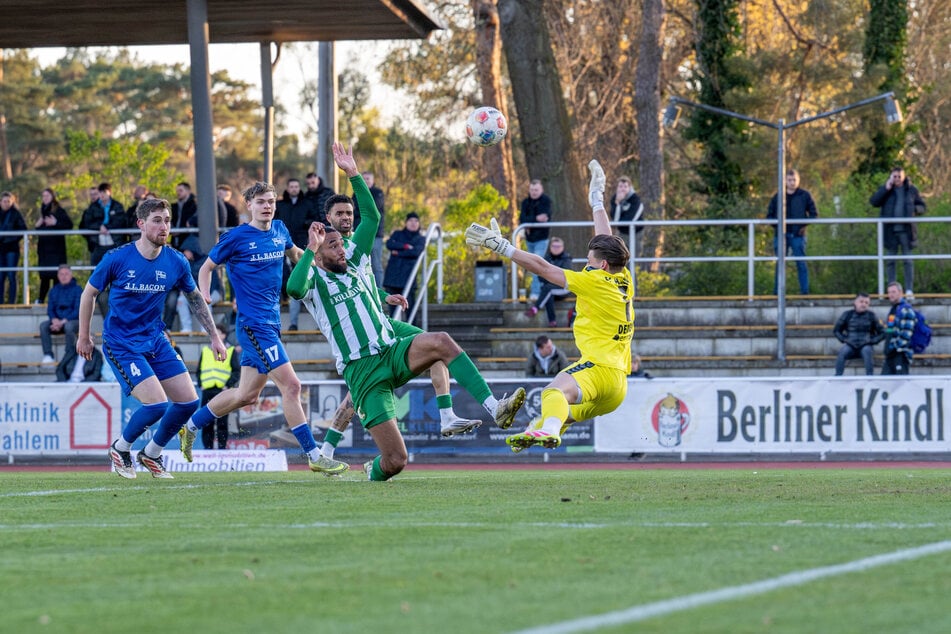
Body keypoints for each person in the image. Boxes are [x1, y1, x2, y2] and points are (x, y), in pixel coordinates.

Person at [288, 143, 526, 482]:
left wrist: (353, 172)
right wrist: (310, 250)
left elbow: (371, 217)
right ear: (319, 252)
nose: (343, 249)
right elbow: (294, 290)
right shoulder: (313, 279)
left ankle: (494, 408)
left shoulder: (353, 259)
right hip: (363, 370)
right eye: (334, 246)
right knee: (397, 460)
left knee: (441, 343)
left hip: (390, 347)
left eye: (342, 243)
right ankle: (358, 467)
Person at [312, 161, 484, 467]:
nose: (345, 218)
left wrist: (382, 295)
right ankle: (325, 451)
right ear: (327, 218)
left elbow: (363, 287)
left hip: (378, 321)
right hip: (356, 337)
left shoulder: (355, 247)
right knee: (357, 394)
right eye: (339, 214)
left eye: (349, 213)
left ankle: (446, 415)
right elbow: (321, 290)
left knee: (437, 346)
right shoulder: (325, 255)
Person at [176, 181, 349, 476]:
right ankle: (314, 454)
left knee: (246, 395)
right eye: (261, 202)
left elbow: (295, 256)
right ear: (249, 206)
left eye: (270, 201)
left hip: (272, 323)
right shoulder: (237, 237)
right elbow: (205, 267)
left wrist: (316, 255)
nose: (267, 206)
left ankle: (190, 426)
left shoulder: (280, 229)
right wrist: (205, 295)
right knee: (292, 386)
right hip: (254, 325)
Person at [466, 159, 634, 451]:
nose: (586, 261)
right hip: (618, 385)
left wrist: (502, 247)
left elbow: (543, 268)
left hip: (599, 369)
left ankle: (549, 432)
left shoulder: (593, 281)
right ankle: (540, 429)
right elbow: (607, 240)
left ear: (602, 264)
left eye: (590, 259)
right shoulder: (624, 276)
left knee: (552, 391)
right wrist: (597, 200)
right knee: (560, 410)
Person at [77, 197, 227, 479]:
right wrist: (84, 336)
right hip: (122, 343)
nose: (164, 226)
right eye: (157, 220)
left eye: (168, 220)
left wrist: (215, 337)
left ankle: (152, 453)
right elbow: (89, 294)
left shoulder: (176, 261)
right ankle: (121, 449)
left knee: (188, 402)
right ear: (141, 224)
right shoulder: (117, 257)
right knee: (157, 404)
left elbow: (195, 298)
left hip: (155, 340)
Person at [869, 166, 926, 297]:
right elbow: (874, 202)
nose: (897, 179)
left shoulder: (912, 190)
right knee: (890, 261)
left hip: (906, 231)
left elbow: (922, 207)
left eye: (899, 176)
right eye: (894, 176)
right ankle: (891, 290)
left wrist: (913, 210)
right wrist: (885, 189)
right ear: (891, 177)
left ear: (904, 177)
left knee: (908, 260)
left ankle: (909, 290)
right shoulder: (886, 190)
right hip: (890, 231)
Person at [276, 177, 320, 331]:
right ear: (287, 188)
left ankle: (318, 324)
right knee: (286, 280)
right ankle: (293, 323)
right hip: (282, 247)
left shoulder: (307, 204)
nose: (294, 188)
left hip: (303, 247)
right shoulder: (280, 205)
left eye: (296, 186)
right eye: (291, 186)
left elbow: (315, 220)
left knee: (307, 282)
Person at [767, 169, 818, 295]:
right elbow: (769, 216)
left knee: (801, 263)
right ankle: (777, 292)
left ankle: (805, 292)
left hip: (798, 236)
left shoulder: (805, 196)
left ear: (798, 180)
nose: (792, 182)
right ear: (785, 181)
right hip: (781, 236)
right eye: (789, 180)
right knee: (780, 265)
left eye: (794, 180)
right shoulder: (778, 196)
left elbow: (814, 214)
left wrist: (803, 226)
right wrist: (778, 227)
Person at [196, 323, 240, 450]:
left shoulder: (230, 351)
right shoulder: (205, 351)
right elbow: (199, 370)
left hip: (222, 391)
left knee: (222, 422)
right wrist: (200, 384)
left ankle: (221, 449)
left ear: (224, 335)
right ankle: (208, 449)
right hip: (207, 391)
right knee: (206, 422)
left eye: (219, 333)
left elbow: (236, 371)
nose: (216, 335)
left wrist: (228, 385)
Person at [34, 188, 73, 304]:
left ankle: (56, 302)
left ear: (52, 197)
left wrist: (55, 223)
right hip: (44, 251)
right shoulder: (43, 211)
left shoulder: (59, 210)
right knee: (44, 277)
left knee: (57, 276)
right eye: (43, 196)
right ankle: (40, 300)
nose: (45, 198)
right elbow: (39, 229)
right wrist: (37, 225)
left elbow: (69, 225)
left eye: (47, 196)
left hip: (56, 251)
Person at [382, 211, 425, 315]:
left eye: (416, 221)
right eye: (410, 220)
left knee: (410, 310)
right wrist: (405, 247)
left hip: (408, 278)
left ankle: (414, 331)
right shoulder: (397, 234)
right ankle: (393, 331)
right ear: (406, 222)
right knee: (393, 313)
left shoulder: (421, 239)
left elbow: (416, 252)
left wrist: (398, 253)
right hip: (393, 277)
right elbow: (389, 244)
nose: (413, 223)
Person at [833, 292, 885, 376]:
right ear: (855, 302)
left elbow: (883, 332)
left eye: (866, 302)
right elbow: (836, 330)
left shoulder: (872, 316)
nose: (863, 304)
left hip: (866, 345)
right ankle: (837, 378)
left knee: (867, 352)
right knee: (842, 353)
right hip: (850, 344)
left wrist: (873, 341)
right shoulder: (847, 314)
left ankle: (870, 378)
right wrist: (844, 339)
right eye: (861, 301)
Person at [525, 236, 573, 327]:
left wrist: (549, 278)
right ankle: (552, 322)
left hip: (564, 289)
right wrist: (552, 278)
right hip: (550, 289)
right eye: (554, 246)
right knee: (548, 293)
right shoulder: (546, 259)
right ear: (550, 247)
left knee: (547, 289)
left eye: (558, 246)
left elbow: (565, 277)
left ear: (562, 247)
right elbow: (540, 276)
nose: (556, 249)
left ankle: (536, 308)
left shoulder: (566, 259)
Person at [39, 265, 82, 364]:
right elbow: (50, 309)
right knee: (43, 326)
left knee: (69, 326)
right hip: (57, 321)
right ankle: (48, 355)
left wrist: (62, 322)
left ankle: (69, 355)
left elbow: (78, 310)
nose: (64, 276)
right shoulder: (54, 290)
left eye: (66, 274)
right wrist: (54, 320)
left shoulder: (78, 290)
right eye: (61, 274)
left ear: (71, 275)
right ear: (58, 276)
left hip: (73, 321)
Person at [518, 179, 553, 300]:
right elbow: (522, 219)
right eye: (532, 190)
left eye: (536, 190)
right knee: (531, 265)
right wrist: (535, 219)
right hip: (529, 239)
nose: (534, 192)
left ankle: (535, 293)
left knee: (536, 265)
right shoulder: (525, 202)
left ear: (541, 189)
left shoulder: (546, 201)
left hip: (541, 239)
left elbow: (545, 217)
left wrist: (530, 221)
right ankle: (540, 290)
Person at [79, 182, 128, 265]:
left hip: (115, 243)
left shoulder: (117, 206)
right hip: (97, 244)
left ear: (110, 192)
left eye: (104, 192)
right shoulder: (93, 207)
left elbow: (120, 221)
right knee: (96, 271)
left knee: (115, 270)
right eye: (100, 192)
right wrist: (99, 227)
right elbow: (87, 223)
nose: (102, 195)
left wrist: (106, 227)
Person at [352, 170, 386, 286]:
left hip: (375, 235)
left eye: (368, 178)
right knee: (358, 263)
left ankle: (378, 291)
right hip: (359, 233)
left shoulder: (378, 193)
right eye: (364, 178)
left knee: (376, 265)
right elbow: (354, 211)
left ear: (373, 180)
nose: (365, 181)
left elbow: (370, 210)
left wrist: (358, 211)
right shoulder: (356, 193)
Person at [610, 176, 645, 269]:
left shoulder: (635, 200)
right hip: (622, 234)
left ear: (630, 188)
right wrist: (618, 204)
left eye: (625, 186)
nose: (623, 189)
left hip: (636, 234)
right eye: (620, 186)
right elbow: (615, 221)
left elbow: (630, 219)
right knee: (621, 260)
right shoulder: (615, 199)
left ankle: (633, 282)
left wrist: (621, 221)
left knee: (632, 261)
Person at [881, 281, 916, 375]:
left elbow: (906, 335)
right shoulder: (893, 309)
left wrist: (894, 347)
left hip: (901, 354)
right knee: (884, 384)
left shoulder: (906, 309)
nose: (890, 295)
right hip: (890, 354)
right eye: (889, 292)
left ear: (900, 293)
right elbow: (890, 329)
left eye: (893, 292)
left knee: (901, 386)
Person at [0, 191, 27, 304]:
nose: (6, 203)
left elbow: (23, 230)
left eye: (8, 201)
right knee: (1, 276)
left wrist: (9, 238)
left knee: (11, 275)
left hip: (12, 249)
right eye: (4, 201)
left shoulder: (16, 213)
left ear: (12, 202)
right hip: (1, 249)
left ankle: (12, 302)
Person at [171, 182, 198, 248]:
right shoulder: (174, 206)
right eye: (177, 191)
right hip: (175, 242)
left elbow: (194, 222)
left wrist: (179, 231)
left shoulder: (195, 205)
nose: (178, 193)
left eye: (180, 190)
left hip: (189, 243)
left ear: (188, 191)